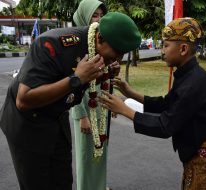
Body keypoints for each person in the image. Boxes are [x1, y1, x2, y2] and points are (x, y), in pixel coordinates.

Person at [0, 12, 141, 190]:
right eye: (115, 54)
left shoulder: (95, 50)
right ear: (99, 38)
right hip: (27, 125)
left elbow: (81, 87)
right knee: (37, 184)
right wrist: (76, 79)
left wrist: (103, 74)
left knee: (63, 182)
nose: (117, 60)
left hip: (56, 119)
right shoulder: (52, 44)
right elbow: (24, 99)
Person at [99, 17, 206, 190]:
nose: (162, 51)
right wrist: (130, 92)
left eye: (166, 45)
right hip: (199, 153)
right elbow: (165, 103)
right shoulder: (187, 75)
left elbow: (165, 126)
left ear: (183, 49)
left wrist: (123, 109)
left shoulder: (193, 83)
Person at [71, 1, 114, 190]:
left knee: (101, 150)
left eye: (101, 16)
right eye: (94, 16)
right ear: (83, 18)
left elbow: (102, 76)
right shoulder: (75, 45)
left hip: (100, 106)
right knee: (86, 155)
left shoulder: (100, 41)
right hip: (84, 108)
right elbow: (71, 84)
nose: (99, 20)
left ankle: (99, 186)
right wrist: (81, 116)